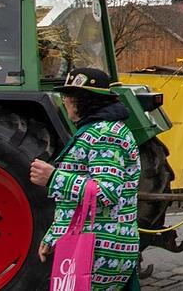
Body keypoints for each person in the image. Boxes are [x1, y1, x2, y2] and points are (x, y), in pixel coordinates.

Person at [29, 68, 141, 290]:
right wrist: (54, 235)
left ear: (82, 100)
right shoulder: (100, 130)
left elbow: (106, 192)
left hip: (99, 248)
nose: (65, 102)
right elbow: (79, 204)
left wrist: (53, 177)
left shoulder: (104, 134)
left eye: (68, 96)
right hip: (95, 244)